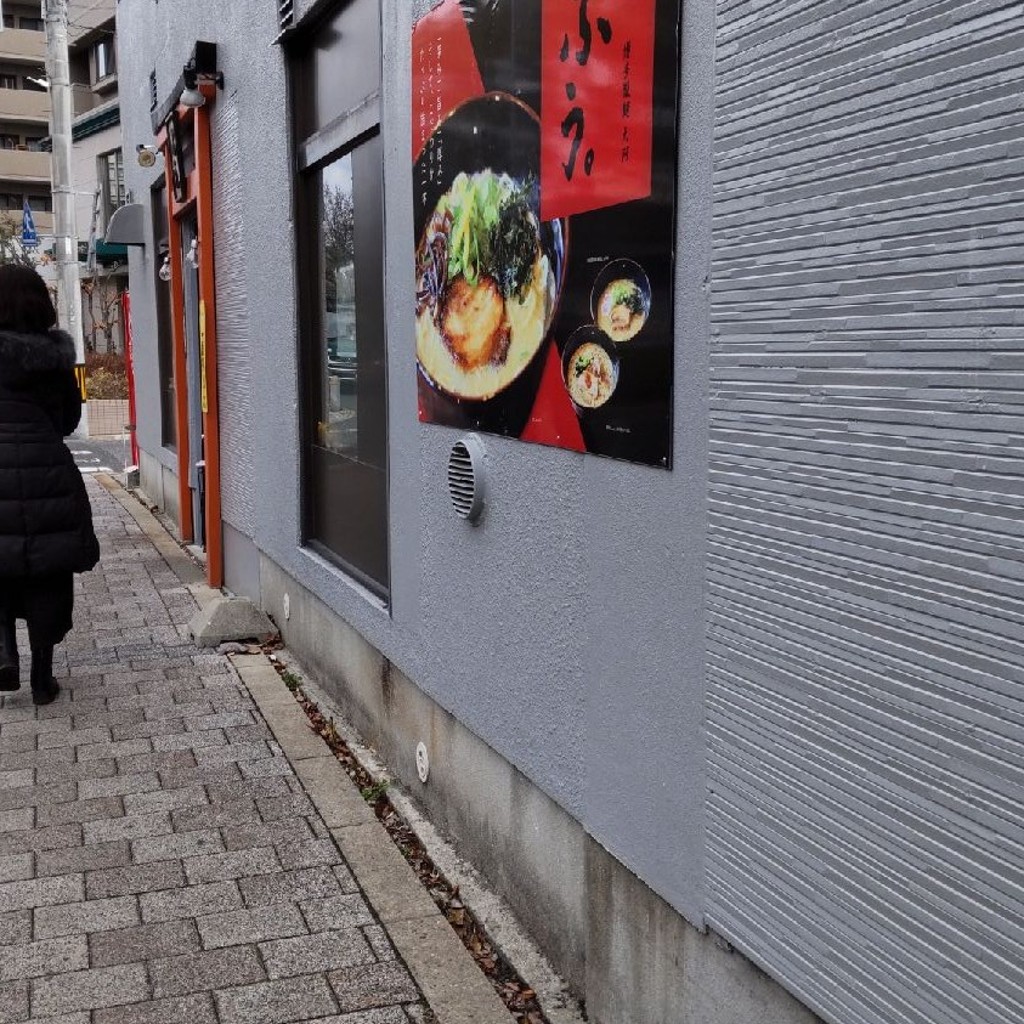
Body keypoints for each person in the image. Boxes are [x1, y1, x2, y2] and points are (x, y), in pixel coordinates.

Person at [0, 264, 99, 705]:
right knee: (47, 569)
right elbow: (70, 420)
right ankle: (42, 679)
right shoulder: (55, 359)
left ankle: (4, 655)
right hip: (47, 470)